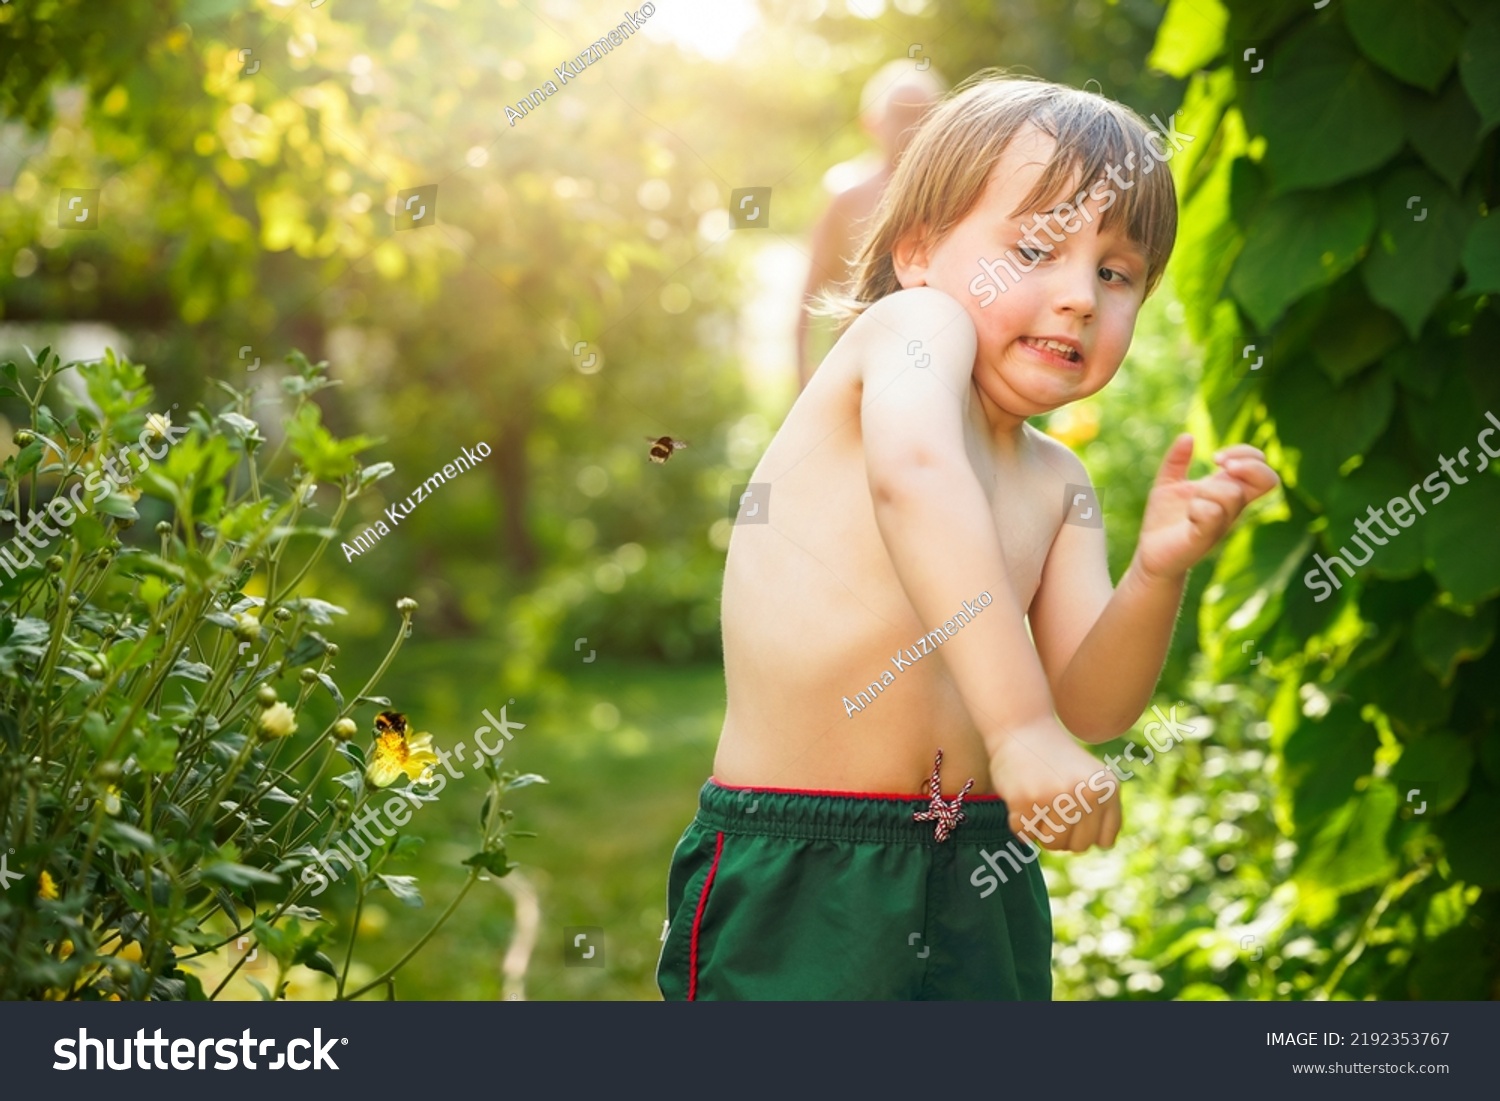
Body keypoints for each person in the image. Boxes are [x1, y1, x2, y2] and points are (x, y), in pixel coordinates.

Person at [657, 73, 1278, 1000]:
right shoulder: (910, 332)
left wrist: (1156, 573)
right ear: (918, 252)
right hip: (804, 860)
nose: (1078, 295)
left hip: (979, 868)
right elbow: (916, 479)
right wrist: (1018, 728)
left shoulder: (1058, 479)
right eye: (1035, 247)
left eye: (1115, 273)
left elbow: (1093, 705)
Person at [794, 61, 946, 391]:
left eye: (925, 115)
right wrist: (803, 384)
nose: (914, 128)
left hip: (932, 372)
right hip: (858, 377)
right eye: (902, 115)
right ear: (873, 123)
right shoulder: (845, 195)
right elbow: (807, 297)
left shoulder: (951, 197)